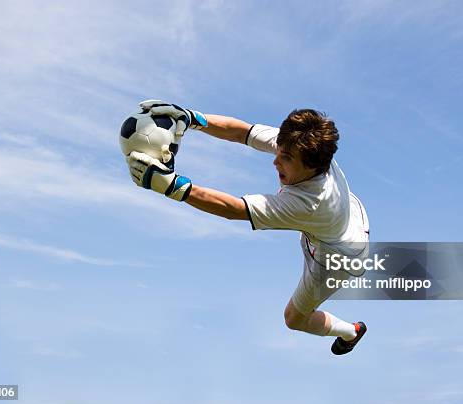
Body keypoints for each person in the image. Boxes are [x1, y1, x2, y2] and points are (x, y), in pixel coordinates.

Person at [126, 100, 370, 355]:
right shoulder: (305, 144)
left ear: (312, 166)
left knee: (294, 319)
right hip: (348, 215)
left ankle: (351, 332)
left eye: (285, 159)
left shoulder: (309, 204)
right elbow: (242, 132)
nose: (276, 162)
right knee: (309, 222)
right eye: (279, 151)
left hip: (337, 259)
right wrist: (190, 117)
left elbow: (233, 209)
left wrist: (169, 186)